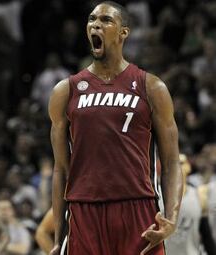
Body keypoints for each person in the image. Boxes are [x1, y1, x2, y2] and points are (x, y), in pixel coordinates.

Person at [48, 2, 183, 255]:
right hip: (84, 210)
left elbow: (172, 161)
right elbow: (60, 169)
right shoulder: (65, 91)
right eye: (91, 19)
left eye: (106, 20)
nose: (95, 24)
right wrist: (58, 237)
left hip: (138, 208)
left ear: (124, 32)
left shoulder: (151, 87)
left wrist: (171, 219)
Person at [165, 154, 215, 255]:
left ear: (188, 167)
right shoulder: (159, 197)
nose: (178, 167)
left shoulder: (200, 195)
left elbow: (206, 234)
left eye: (182, 163)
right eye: (174, 164)